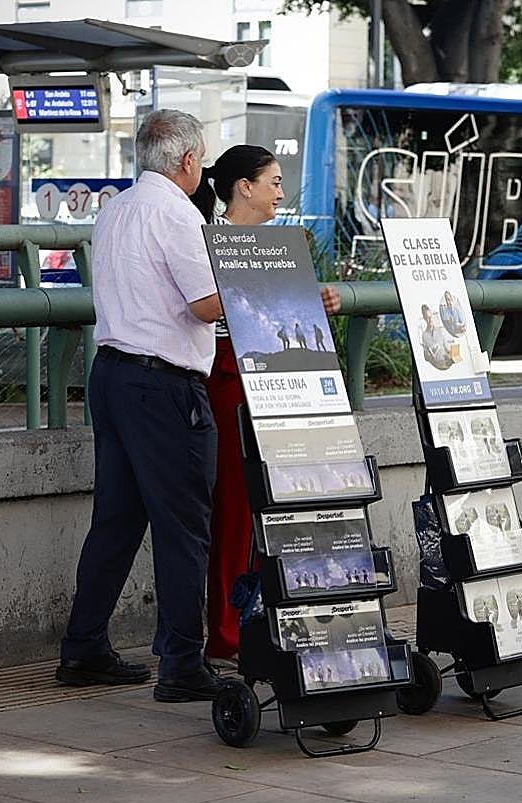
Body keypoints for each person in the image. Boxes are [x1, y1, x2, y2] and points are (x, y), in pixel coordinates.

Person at [55, 109, 225, 702]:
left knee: (117, 520)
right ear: (186, 161)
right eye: (200, 158)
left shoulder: (117, 209)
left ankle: (84, 647)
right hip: (164, 385)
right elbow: (206, 304)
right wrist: (263, 287)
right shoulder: (176, 213)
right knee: (184, 528)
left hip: (113, 375)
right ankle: (182, 664)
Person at [190, 143, 341, 668]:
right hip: (230, 375)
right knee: (235, 506)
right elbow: (206, 310)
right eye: (273, 181)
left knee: (279, 502)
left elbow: (284, 313)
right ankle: (227, 631)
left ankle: (274, 615)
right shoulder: (209, 243)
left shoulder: (277, 245)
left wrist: (314, 297)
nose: (281, 191)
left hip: (279, 379)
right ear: (244, 187)